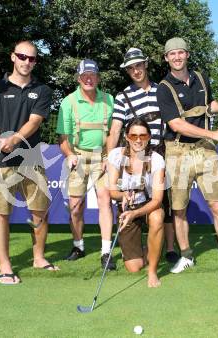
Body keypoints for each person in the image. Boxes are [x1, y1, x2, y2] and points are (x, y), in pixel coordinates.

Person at [156, 37, 218, 281]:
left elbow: (206, 105)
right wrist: (213, 133)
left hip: (205, 151)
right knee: (179, 210)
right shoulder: (164, 87)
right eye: (172, 54)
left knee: (217, 206)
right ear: (166, 58)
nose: (177, 57)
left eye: (181, 53)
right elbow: (176, 124)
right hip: (177, 153)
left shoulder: (201, 78)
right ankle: (187, 255)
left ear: (187, 55)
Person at [0, 40, 57, 285]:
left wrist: (13, 139)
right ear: (12, 57)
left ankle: (38, 257)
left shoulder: (43, 90)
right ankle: (5, 266)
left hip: (31, 158)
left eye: (32, 58)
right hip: (2, 161)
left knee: (40, 211)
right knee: (1, 213)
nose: (26, 62)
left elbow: (35, 121)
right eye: (22, 57)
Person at [106, 47, 179, 264]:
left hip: (160, 152)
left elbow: (174, 122)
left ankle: (170, 248)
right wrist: (109, 158)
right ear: (127, 71)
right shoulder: (123, 96)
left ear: (146, 64)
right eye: (131, 68)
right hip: (135, 154)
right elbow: (116, 129)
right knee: (132, 199)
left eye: (138, 65)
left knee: (164, 202)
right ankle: (135, 249)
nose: (136, 71)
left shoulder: (162, 90)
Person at [56, 59, 116, 271]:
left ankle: (106, 251)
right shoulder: (68, 102)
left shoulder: (109, 100)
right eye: (84, 76)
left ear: (98, 77)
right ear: (79, 78)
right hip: (77, 156)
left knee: (105, 200)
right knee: (76, 206)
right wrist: (69, 154)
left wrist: (110, 155)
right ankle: (78, 246)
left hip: (102, 158)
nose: (89, 79)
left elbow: (112, 132)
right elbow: (63, 137)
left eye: (92, 75)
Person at [108, 118, 165, 287]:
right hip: (126, 208)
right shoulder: (116, 155)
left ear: (149, 137)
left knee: (157, 217)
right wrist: (122, 195)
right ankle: (151, 247)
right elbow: (112, 191)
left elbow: (157, 199)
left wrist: (136, 213)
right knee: (134, 267)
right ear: (126, 137)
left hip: (148, 205)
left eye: (143, 135)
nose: (138, 140)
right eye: (133, 136)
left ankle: (152, 272)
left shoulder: (156, 159)